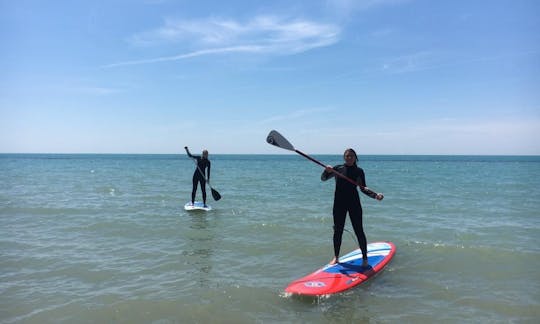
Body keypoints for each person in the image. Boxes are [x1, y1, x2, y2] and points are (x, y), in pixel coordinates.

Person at [321, 148, 384, 267]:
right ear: (344, 157)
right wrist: (327, 171)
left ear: (355, 158)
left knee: (359, 230)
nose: (349, 158)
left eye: (351, 156)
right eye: (347, 156)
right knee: (337, 231)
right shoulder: (337, 169)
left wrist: (375, 196)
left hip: (354, 203)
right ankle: (336, 257)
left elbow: (363, 188)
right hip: (339, 203)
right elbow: (323, 179)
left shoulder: (359, 171)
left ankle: (365, 259)